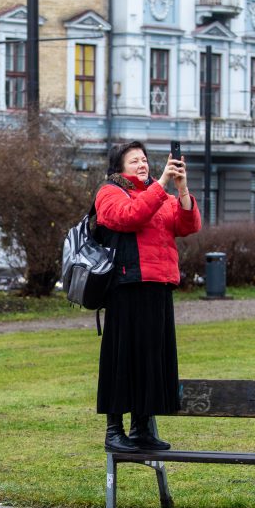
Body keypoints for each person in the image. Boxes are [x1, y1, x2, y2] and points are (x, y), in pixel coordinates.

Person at [94, 141, 201, 453]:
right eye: (133, 161)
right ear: (119, 168)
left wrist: (181, 189)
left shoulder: (160, 193)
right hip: (127, 287)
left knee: (151, 359)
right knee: (122, 358)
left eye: (144, 160)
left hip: (158, 286)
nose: (142, 165)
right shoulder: (110, 192)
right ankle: (114, 430)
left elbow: (187, 225)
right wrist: (163, 184)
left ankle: (142, 427)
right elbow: (129, 217)